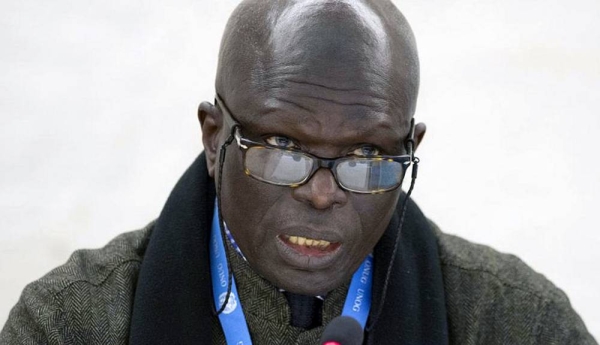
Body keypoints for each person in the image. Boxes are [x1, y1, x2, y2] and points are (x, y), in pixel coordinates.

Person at [1, 0, 596, 344]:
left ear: (409, 145)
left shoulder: (518, 324)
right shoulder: (68, 326)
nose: (320, 193)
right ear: (214, 140)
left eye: (366, 159)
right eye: (283, 147)